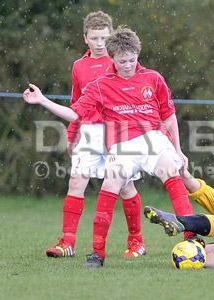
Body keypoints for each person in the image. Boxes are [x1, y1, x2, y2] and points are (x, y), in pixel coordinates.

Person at [22, 27, 195, 268]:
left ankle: (192, 240)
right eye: (122, 61)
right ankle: (97, 254)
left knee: (170, 170)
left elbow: (169, 116)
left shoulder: (153, 78)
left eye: (132, 60)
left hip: (154, 137)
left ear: (138, 55)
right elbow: (74, 114)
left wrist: (178, 150)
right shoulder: (100, 85)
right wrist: (42, 100)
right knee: (111, 183)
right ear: (111, 59)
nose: (128, 65)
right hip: (122, 144)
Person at [45, 11, 146, 259]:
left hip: (120, 131)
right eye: (95, 38)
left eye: (104, 38)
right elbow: (75, 102)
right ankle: (67, 242)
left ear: (111, 37)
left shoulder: (121, 62)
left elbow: (140, 90)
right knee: (76, 181)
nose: (100, 43)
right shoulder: (79, 66)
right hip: (89, 132)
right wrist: (71, 134)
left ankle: (136, 242)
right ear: (85, 39)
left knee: (125, 186)